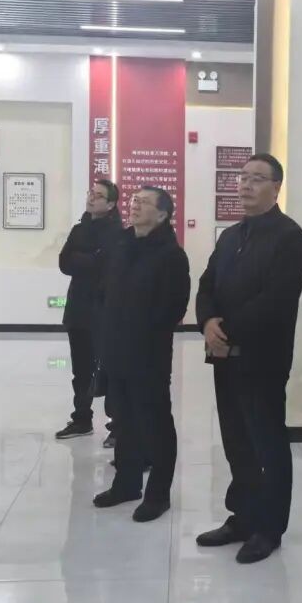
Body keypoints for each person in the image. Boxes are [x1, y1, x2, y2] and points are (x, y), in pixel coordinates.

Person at [195, 154, 302, 564]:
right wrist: (208, 321)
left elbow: (276, 300)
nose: (246, 185)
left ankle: (269, 528)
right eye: (242, 177)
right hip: (224, 358)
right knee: (236, 441)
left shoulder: (289, 236)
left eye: (257, 179)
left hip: (263, 359)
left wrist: (226, 331)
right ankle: (242, 517)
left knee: (267, 443)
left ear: (276, 187)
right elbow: (206, 285)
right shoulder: (230, 236)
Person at [92, 186, 190, 522]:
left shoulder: (171, 255)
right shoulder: (121, 244)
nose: (135, 206)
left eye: (144, 203)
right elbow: (105, 291)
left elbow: (173, 307)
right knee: (124, 420)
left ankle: (158, 494)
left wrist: (141, 331)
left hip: (148, 354)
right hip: (116, 350)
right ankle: (126, 484)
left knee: (155, 423)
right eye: (134, 200)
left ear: (162, 214)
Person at [55, 179, 122, 440]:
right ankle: (82, 419)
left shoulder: (118, 233)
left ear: (111, 204)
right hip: (78, 309)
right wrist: (91, 258)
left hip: (105, 310)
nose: (91, 198)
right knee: (80, 370)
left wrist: (82, 259)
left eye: (98, 195)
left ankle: (117, 426)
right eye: (91, 193)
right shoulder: (78, 229)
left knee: (110, 369)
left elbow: (108, 266)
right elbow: (64, 262)